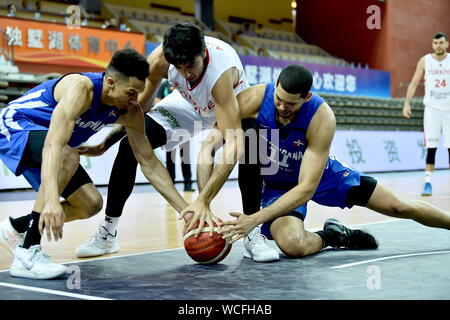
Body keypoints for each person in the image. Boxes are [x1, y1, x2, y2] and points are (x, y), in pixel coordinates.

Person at [202, 65, 450, 260]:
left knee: (399, 207)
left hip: (321, 177)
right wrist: (204, 199)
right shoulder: (253, 99)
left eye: (290, 103)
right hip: (278, 185)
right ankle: (333, 235)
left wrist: (254, 219)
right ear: (275, 86)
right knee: (293, 245)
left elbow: (306, 189)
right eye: (278, 99)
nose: (282, 106)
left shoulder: (321, 117)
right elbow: (216, 136)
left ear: (306, 97)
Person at [75, 23, 278, 261]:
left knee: (250, 141)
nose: (185, 73)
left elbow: (233, 147)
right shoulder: (159, 60)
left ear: (203, 53)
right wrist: (108, 141)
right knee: (130, 145)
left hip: (229, 106)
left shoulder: (220, 74)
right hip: (187, 105)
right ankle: (108, 233)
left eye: (190, 65)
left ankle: (252, 231)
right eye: (178, 68)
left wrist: (203, 201)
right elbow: (139, 108)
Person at [0, 48, 188, 279]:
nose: (135, 100)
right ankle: (27, 252)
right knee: (68, 156)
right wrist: (50, 201)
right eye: (131, 93)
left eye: (139, 93)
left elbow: (149, 163)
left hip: (53, 147)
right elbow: (53, 145)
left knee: (90, 204)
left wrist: (186, 210)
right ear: (110, 83)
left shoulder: (131, 111)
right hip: (17, 126)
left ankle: (14, 228)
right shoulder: (81, 88)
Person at [402, 32, 450, 196]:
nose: (438, 45)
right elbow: (414, 82)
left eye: (441, 42)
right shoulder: (425, 61)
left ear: (446, 44)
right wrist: (407, 103)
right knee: (431, 148)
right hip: (432, 109)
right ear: (432, 44)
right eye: (435, 43)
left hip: (449, 110)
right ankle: (428, 182)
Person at [155, 80, 195, 192]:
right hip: (169, 127)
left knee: (185, 157)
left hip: (184, 126)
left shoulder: (183, 85)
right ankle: (171, 184)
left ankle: (188, 184)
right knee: (170, 158)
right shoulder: (164, 85)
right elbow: (157, 102)